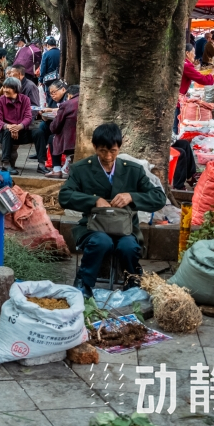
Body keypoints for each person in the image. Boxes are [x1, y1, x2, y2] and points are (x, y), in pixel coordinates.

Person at [58, 123, 166, 298]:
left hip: (126, 227)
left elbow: (159, 198)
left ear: (120, 147)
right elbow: (64, 196)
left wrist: (131, 197)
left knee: (128, 246)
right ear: (94, 147)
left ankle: (132, 281)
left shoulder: (133, 170)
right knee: (101, 241)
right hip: (93, 227)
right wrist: (94, 200)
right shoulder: (81, 169)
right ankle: (84, 283)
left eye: (113, 151)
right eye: (102, 151)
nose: (108, 156)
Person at [0, 77, 40, 175]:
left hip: (20, 132)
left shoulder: (25, 99)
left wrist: (19, 126)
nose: (4, 90)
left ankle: (42, 163)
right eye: (4, 87)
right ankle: (6, 163)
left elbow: (28, 117)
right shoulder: (0, 101)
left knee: (38, 132)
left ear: (16, 89)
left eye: (8, 88)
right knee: (6, 132)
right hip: (4, 133)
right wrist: (9, 127)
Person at [47, 85, 79, 178]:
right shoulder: (88, 102)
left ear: (69, 95)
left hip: (70, 140)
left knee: (52, 138)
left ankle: (56, 169)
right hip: (86, 138)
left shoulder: (67, 104)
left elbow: (54, 127)